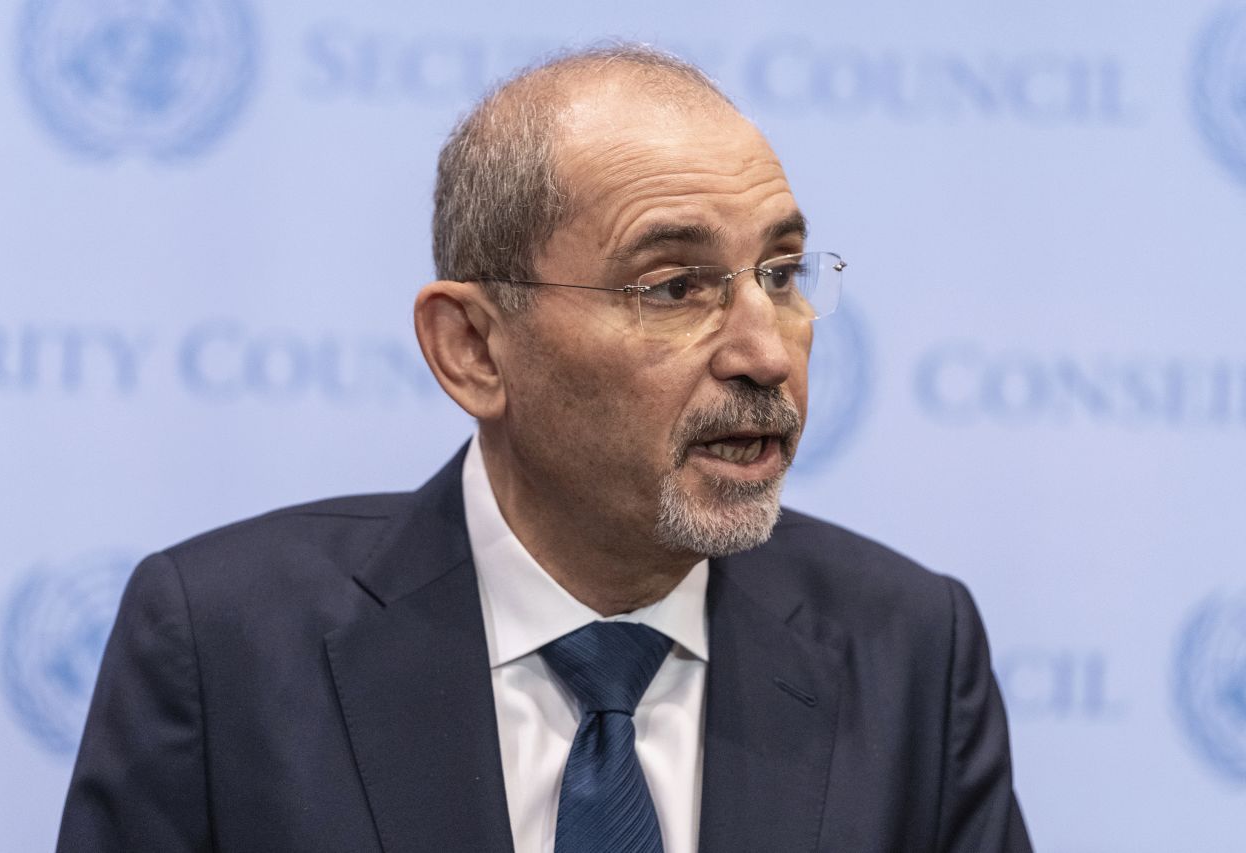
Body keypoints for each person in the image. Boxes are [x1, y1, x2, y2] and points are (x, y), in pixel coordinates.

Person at [58, 45, 1033, 852]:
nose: (765, 350)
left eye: (779, 273)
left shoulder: (906, 647)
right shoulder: (222, 646)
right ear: (473, 349)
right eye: (673, 287)